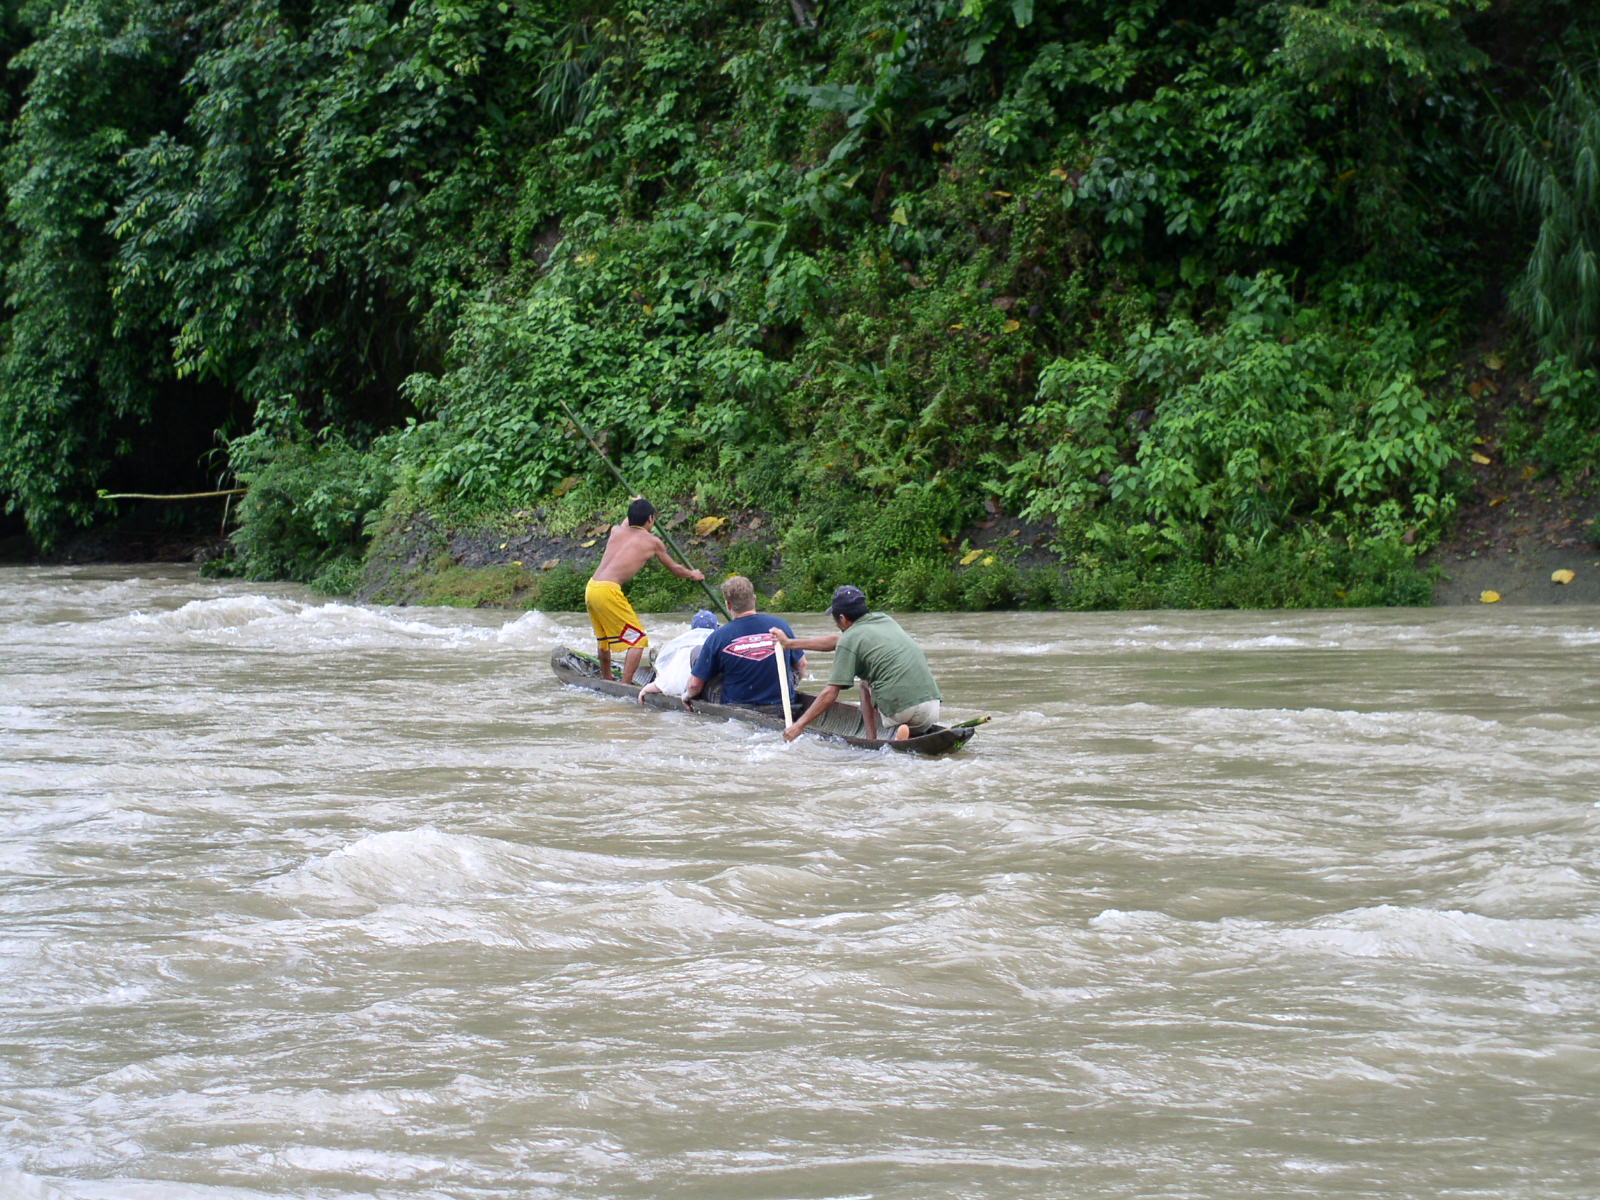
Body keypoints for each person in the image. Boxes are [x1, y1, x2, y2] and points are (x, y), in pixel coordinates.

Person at [769, 584, 941, 742]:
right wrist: (790, 644)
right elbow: (837, 640)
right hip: (932, 707)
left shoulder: (850, 639)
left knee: (865, 684)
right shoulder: (884, 619)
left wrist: (798, 726)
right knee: (889, 693)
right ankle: (909, 732)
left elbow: (830, 692)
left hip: (901, 709)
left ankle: (873, 739)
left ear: (842, 618)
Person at [585, 497, 705, 685]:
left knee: (604, 638)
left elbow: (628, 522)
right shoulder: (653, 542)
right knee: (638, 639)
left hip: (592, 587)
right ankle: (626, 684)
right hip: (608, 590)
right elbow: (675, 569)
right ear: (650, 519)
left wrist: (638, 502)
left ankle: (607, 676)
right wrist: (693, 574)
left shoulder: (616, 531)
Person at [683, 575, 806, 708]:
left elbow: (695, 685)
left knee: (697, 653)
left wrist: (687, 696)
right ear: (754, 599)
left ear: (728, 605)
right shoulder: (781, 626)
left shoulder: (717, 637)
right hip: (781, 705)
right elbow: (802, 665)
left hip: (738, 706)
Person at [637, 609, 719, 702]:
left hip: (691, 692)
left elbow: (669, 682)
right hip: (714, 693)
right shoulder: (719, 645)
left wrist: (646, 689)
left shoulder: (682, 648)